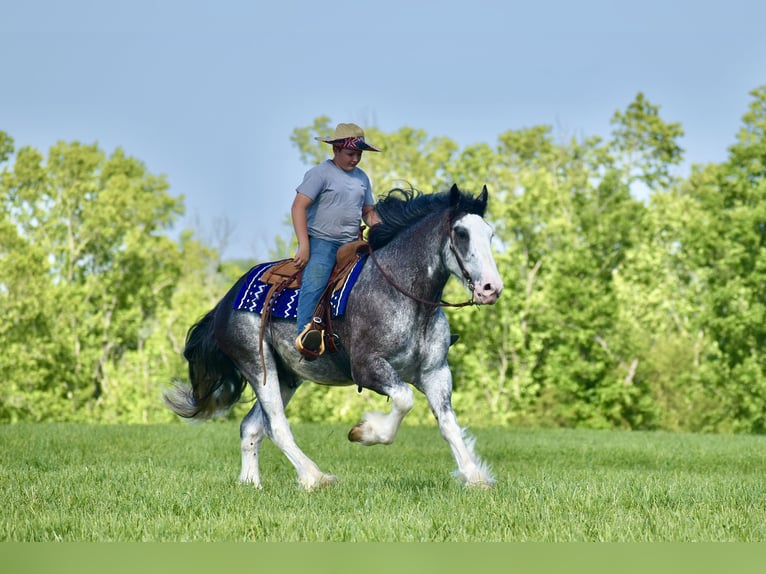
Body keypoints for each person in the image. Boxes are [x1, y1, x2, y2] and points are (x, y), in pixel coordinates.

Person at [291, 123, 382, 358]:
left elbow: (368, 211)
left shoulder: (362, 178)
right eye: (351, 154)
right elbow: (299, 206)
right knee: (316, 280)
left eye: (359, 154)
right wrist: (304, 244)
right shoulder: (320, 173)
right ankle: (305, 335)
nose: (355, 159)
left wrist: (384, 229)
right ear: (336, 151)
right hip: (322, 242)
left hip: (353, 244)